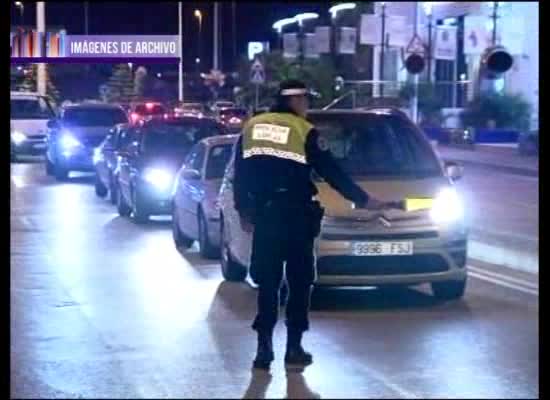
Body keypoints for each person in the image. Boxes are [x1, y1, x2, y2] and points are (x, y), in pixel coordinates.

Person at [233, 80, 401, 370]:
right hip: (297, 217)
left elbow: (241, 175)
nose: (307, 106)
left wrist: (245, 212)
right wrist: (364, 200)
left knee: (268, 284)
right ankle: (294, 348)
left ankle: (263, 350)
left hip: (267, 217)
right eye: (305, 100)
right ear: (295, 101)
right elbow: (331, 171)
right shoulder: (302, 130)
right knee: (299, 283)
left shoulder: (252, 128)